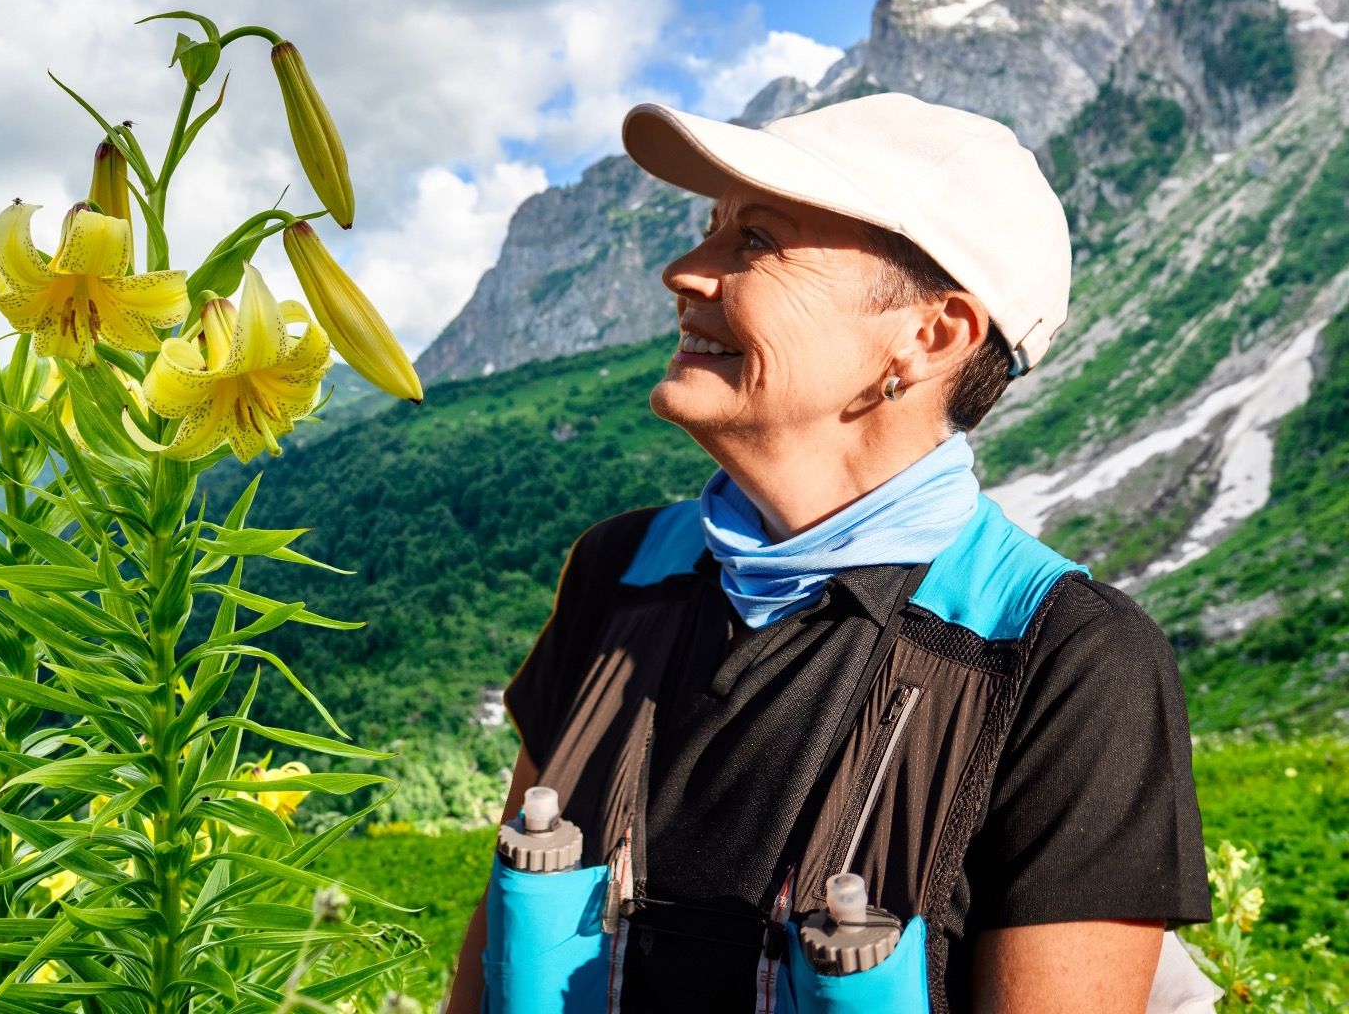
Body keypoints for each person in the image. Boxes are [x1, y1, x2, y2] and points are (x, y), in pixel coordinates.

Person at [447, 93, 1213, 1013]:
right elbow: (492, 955)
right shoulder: (619, 571)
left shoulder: (1069, 660)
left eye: (756, 241)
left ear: (931, 336)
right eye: (709, 229)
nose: (682, 271)